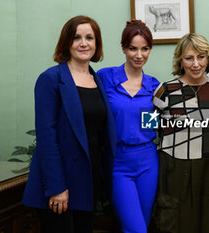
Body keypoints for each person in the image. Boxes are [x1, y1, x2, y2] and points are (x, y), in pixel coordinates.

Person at [22, 15, 116, 233]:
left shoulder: (97, 79)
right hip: (61, 183)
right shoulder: (50, 79)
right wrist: (57, 187)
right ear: (66, 42)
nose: (84, 43)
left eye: (90, 38)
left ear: (97, 43)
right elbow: (46, 137)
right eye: (77, 38)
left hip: (89, 178)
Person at [153, 33, 209, 233]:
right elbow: (148, 125)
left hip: (207, 165)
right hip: (173, 164)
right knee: (172, 218)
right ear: (180, 61)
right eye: (189, 58)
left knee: (207, 218)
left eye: (201, 57)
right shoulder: (165, 90)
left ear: (207, 59)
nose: (196, 64)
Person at [97, 20, 159, 233]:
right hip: (118, 162)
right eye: (133, 48)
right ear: (123, 48)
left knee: (143, 224)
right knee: (135, 229)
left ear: (150, 49)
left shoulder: (154, 86)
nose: (139, 55)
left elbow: (152, 124)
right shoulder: (105, 78)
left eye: (145, 49)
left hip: (148, 160)